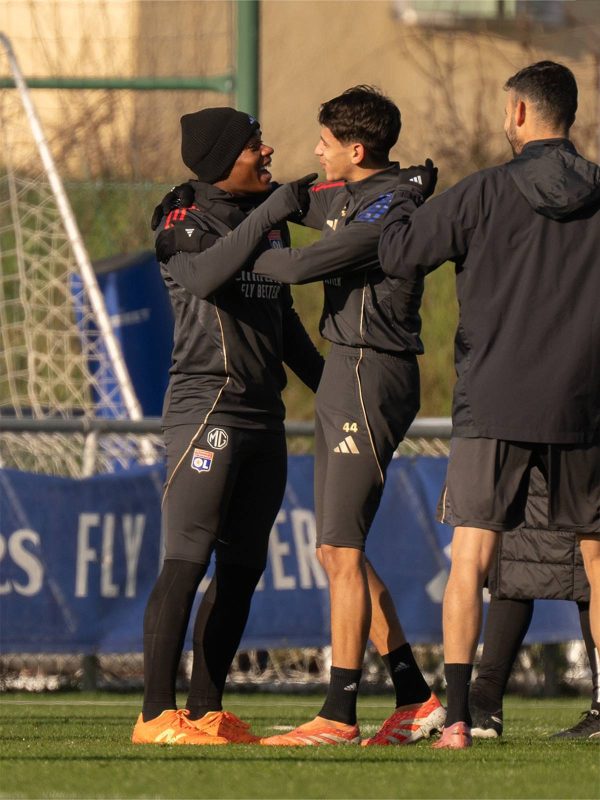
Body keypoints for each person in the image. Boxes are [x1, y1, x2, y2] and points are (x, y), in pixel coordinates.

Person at [158, 86, 446, 746]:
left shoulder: (385, 209)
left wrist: (223, 251)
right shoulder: (364, 196)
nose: (311, 151)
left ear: (355, 148)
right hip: (348, 372)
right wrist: (226, 217)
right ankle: (412, 694)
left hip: (370, 369)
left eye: (324, 141)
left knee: (339, 550)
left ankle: (338, 715)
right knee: (335, 549)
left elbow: (291, 265)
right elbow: (298, 203)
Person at [378, 61, 600, 749]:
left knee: (471, 558)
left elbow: (399, 252)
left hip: (496, 401)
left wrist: (406, 197)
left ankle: (463, 719)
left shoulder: (484, 193)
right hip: (585, 403)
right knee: (598, 556)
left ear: (520, 114)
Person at [131, 108, 324, 745]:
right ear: (221, 160)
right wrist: (272, 212)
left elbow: (283, 316)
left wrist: (331, 390)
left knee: (243, 568)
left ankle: (206, 709)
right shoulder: (181, 217)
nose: (266, 151)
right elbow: (207, 275)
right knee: (186, 560)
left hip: (264, 413)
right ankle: (156, 715)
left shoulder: (267, 222)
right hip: (205, 409)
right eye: (252, 145)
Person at [470, 468, 599, 740]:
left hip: (580, 456)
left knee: (591, 576)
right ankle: (484, 701)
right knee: (514, 569)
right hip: (528, 462)